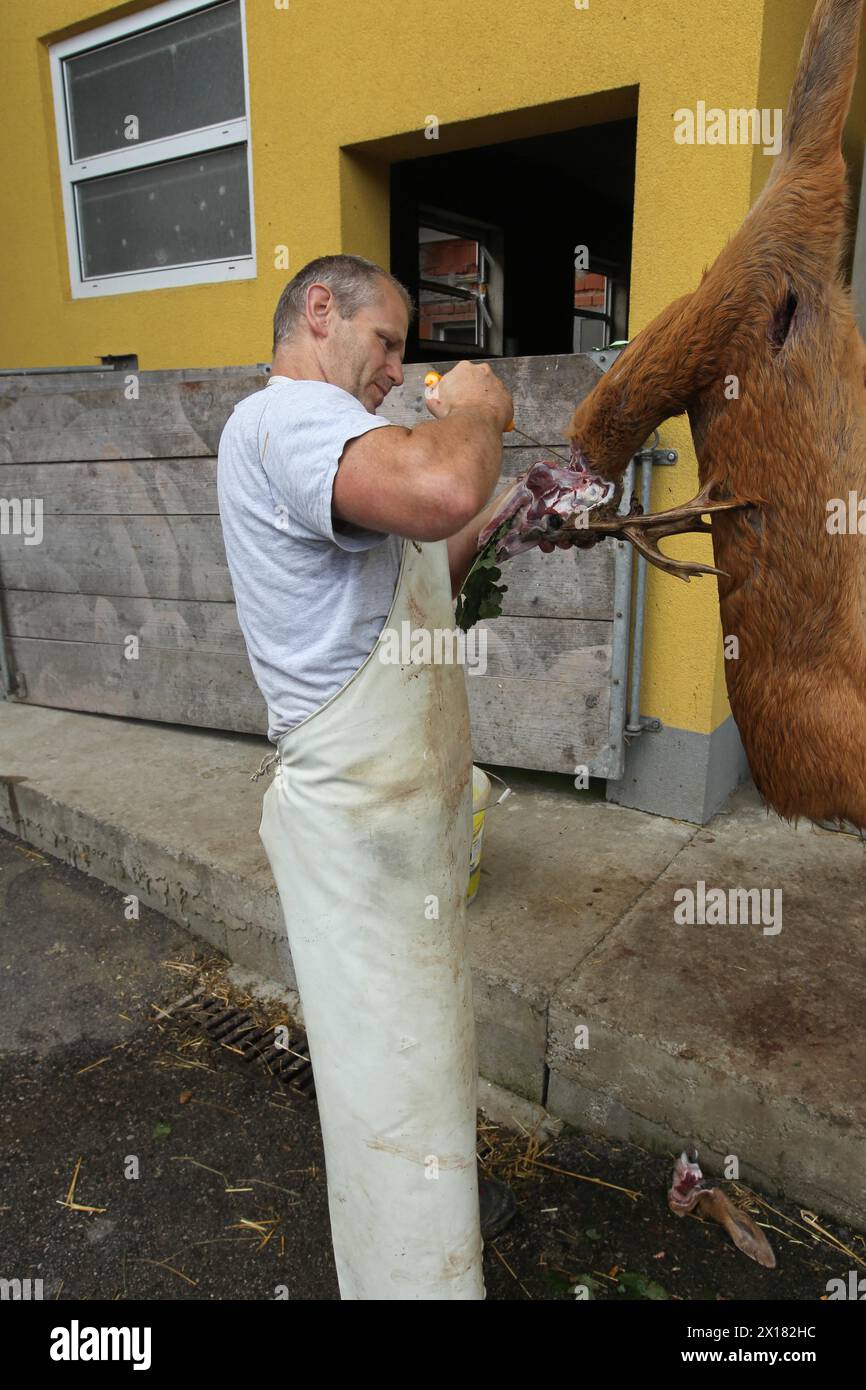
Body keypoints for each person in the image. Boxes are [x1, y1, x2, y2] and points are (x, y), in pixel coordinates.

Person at [216, 253, 562, 1300]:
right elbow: (440, 481)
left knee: (421, 1068)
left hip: (402, 827)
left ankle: (435, 1235)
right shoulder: (284, 419)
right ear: (318, 311)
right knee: (388, 1084)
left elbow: (418, 560)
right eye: (388, 343)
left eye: (407, 358)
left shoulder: (335, 446)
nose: (396, 370)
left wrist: (502, 519)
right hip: (360, 825)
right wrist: (476, 406)